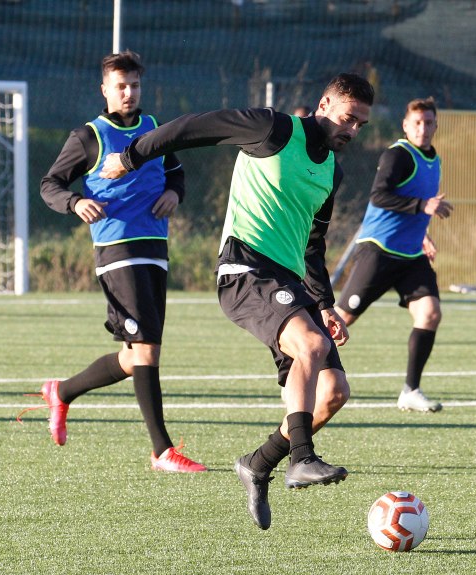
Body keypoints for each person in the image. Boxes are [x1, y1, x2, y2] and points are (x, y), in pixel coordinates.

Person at [99, 73, 375, 530]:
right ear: (324, 104)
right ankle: (302, 458)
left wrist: (325, 304)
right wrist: (131, 156)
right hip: (245, 269)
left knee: (332, 394)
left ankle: (258, 464)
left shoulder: (333, 170)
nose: (352, 130)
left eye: (361, 125)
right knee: (310, 347)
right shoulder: (274, 129)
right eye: (348, 118)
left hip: (291, 283)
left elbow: (313, 245)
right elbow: (194, 127)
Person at [25, 51, 205, 472]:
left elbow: (175, 173)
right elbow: (49, 184)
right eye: (120, 86)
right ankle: (162, 451)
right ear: (104, 90)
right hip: (116, 249)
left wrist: (174, 194)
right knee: (146, 349)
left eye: (135, 86)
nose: (129, 93)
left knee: (135, 354)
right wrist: (75, 202)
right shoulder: (89, 136)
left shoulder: (154, 128)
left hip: (155, 247)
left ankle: (62, 391)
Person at [334, 97, 452, 413]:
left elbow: (414, 201)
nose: (423, 128)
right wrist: (423, 207)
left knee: (430, 313)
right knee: (340, 321)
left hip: (411, 254)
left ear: (436, 125)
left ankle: (410, 390)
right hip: (379, 250)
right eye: (417, 122)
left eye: (429, 122)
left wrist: (423, 233)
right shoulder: (398, 155)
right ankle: (297, 371)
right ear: (405, 125)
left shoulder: (434, 160)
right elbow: (380, 196)